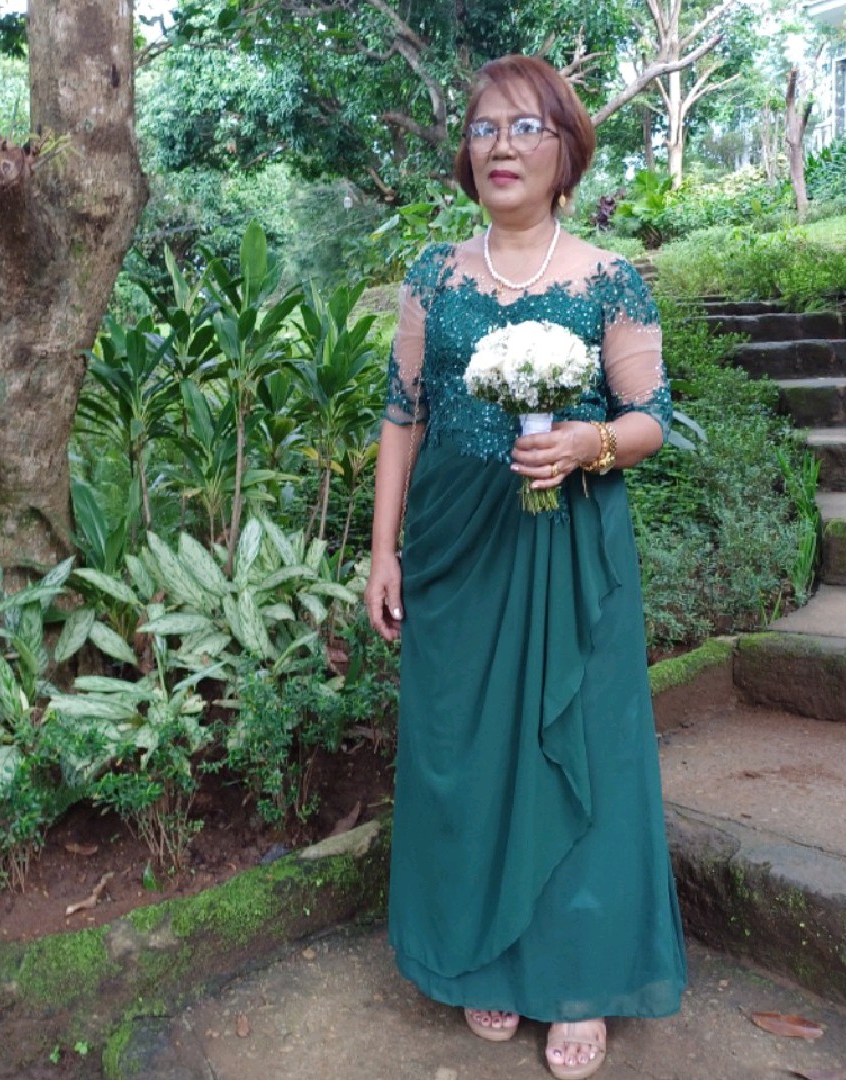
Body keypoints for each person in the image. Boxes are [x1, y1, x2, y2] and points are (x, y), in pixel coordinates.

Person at [363, 54, 687, 1080]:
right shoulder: (433, 276)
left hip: (568, 550)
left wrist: (592, 444)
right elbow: (402, 416)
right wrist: (382, 550)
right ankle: (481, 957)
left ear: (566, 150)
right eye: (484, 129)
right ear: (467, 155)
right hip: (456, 549)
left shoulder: (608, 278)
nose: (501, 146)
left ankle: (579, 978)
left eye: (525, 127)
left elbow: (651, 417)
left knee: (579, 752)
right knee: (462, 754)